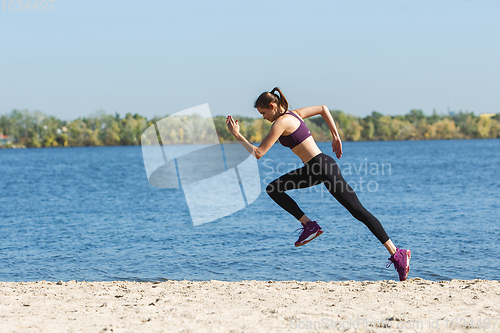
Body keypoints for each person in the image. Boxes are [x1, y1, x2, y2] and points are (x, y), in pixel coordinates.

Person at [226, 87, 410, 281]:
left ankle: (398, 253)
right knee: (274, 188)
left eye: (263, 112)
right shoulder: (294, 115)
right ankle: (309, 225)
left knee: (358, 211)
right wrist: (335, 136)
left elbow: (258, 153)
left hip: (321, 168)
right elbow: (323, 108)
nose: (263, 117)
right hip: (318, 167)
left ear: (272, 106)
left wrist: (237, 135)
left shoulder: (281, 122)